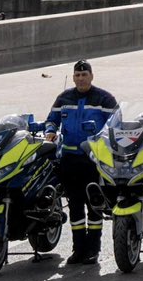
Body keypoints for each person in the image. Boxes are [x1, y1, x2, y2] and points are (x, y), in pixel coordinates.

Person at [46, 61, 118, 266]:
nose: (80, 78)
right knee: (75, 206)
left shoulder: (104, 98)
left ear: (92, 76)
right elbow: (52, 119)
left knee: (94, 204)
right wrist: (50, 131)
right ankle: (78, 249)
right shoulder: (64, 97)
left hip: (93, 160)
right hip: (69, 159)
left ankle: (93, 250)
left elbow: (116, 124)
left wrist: (102, 142)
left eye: (84, 74)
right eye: (77, 75)